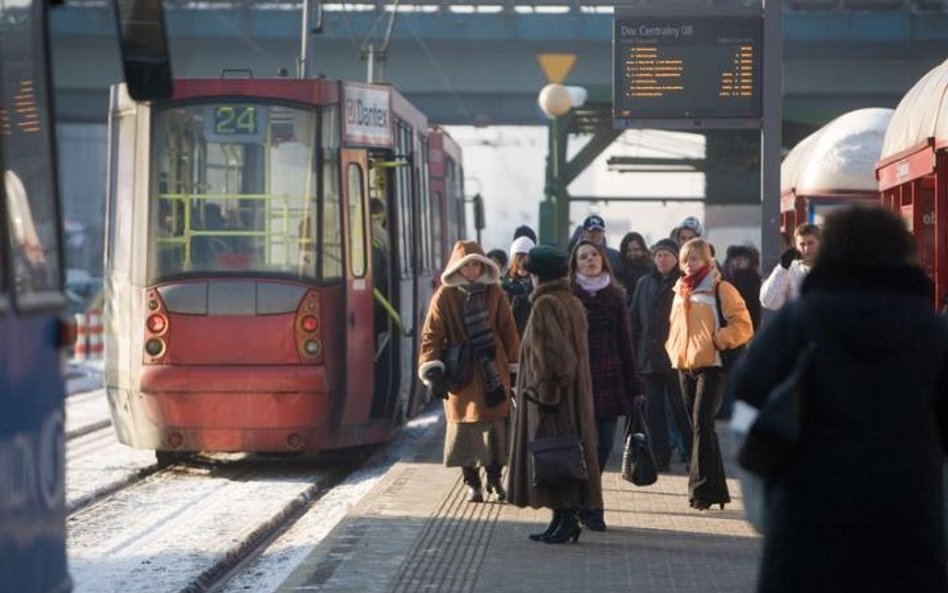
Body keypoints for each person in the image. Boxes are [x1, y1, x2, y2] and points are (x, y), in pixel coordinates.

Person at [729, 205, 948, 593]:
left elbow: (743, 394)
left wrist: (758, 469)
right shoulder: (931, 331)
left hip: (807, 511)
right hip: (909, 511)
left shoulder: (802, 321)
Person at [507, 245, 602, 544]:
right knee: (567, 455)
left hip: (553, 400)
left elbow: (554, 360)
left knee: (554, 455)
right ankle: (561, 519)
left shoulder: (545, 305)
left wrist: (545, 396)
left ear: (538, 276)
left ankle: (565, 519)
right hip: (573, 397)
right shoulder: (571, 301)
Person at [418, 241, 521, 503]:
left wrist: (514, 366)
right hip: (460, 373)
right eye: (467, 265)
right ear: (458, 267)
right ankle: (472, 483)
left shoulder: (494, 292)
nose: (472, 269)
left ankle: (495, 480)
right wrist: (433, 372)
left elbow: (508, 330)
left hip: (492, 372)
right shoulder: (444, 296)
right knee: (465, 433)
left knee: (496, 430)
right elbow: (432, 336)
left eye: (476, 264)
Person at [665, 238, 752, 510]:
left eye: (694, 259)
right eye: (685, 259)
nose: (689, 265)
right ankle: (715, 491)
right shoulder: (680, 291)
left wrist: (718, 339)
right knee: (699, 428)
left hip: (712, 366)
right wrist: (672, 347)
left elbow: (744, 325)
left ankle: (700, 491)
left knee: (703, 423)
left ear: (707, 260)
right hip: (684, 365)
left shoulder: (721, 288)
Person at [569, 239, 643, 530]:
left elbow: (626, 343)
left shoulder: (615, 296)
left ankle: (589, 497)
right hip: (578, 382)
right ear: (575, 264)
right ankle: (588, 505)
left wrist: (635, 385)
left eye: (594, 256)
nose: (590, 260)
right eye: (584, 257)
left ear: (603, 260)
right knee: (582, 446)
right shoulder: (569, 295)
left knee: (604, 446)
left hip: (610, 379)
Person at [629, 238, 692, 471]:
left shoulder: (684, 283)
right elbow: (634, 320)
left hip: (677, 358)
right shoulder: (644, 283)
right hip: (649, 357)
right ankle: (659, 458)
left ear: (677, 259)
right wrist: (635, 353)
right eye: (658, 255)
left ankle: (691, 455)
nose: (662, 259)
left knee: (681, 409)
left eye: (667, 255)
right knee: (653, 411)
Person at [760, 223, 820, 311]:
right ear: (796, 246)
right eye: (802, 244)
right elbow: (769, 301)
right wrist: (782, 268)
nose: (806, 249)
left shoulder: (834, 268)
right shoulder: (790, 270)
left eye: (811, 243)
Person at [500, 236, 535, 337]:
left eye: (526, 261)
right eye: (518, 261)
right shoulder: (504, 285)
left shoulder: (537, 285)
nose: (522, 266)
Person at [616, 231, 655, 300]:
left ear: (643, 250)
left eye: (636, 250)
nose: (632, 253)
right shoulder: (618, 272)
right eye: (628, 250)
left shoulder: (652, 271)